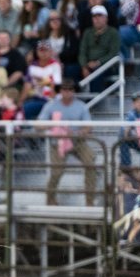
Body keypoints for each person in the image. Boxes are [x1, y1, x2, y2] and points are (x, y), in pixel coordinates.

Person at [37, 78, 95, 206]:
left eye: (70, 89)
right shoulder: (51, 105)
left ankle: (89, 201)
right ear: (60, 91)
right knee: (57, 171)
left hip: (77, 142)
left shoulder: (81, 106)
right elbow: (38, 124)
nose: (67, 92)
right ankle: (50, 199)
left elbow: (88, 127)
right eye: (64, 89)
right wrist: (54, 126)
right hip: (57, 143)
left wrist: (76, 133)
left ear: (74, 91)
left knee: (90, 163)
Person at [78, 5, 121, 92]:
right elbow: (82, 51)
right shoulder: (88, 32)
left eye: (100, 16)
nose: (97, 19)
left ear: (106, 18)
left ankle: (93, 100)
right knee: (71, 70)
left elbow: (113, 53)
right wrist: (84, 66)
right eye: (94, 16)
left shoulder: (113, 32)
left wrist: (98, 62)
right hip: (88, 64)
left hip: (106, 65)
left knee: (97, 71)